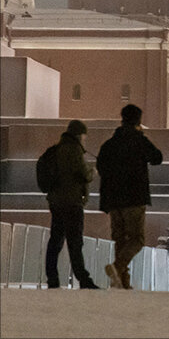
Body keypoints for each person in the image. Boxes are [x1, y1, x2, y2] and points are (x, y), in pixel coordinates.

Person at [97, 103, 164, 290]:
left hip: (113, 200)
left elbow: (101, 167)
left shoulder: (109, 144)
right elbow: (157, 157)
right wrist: (141, 135)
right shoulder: (139, 140)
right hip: (134, 198)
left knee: (120, 239)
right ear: (138, 121)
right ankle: (118, 268)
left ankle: (122, 282)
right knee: (137, 239)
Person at [43, 119, 99, 289]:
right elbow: (83, 174)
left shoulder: (58, 149)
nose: (85, 139)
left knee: (56, 240)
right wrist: (93, 171)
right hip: (71, 203)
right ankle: (83, 279)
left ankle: (52, 278)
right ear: (79, 135)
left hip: (56, 202)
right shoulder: (73, 150)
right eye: (84, 136)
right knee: (75, 242)